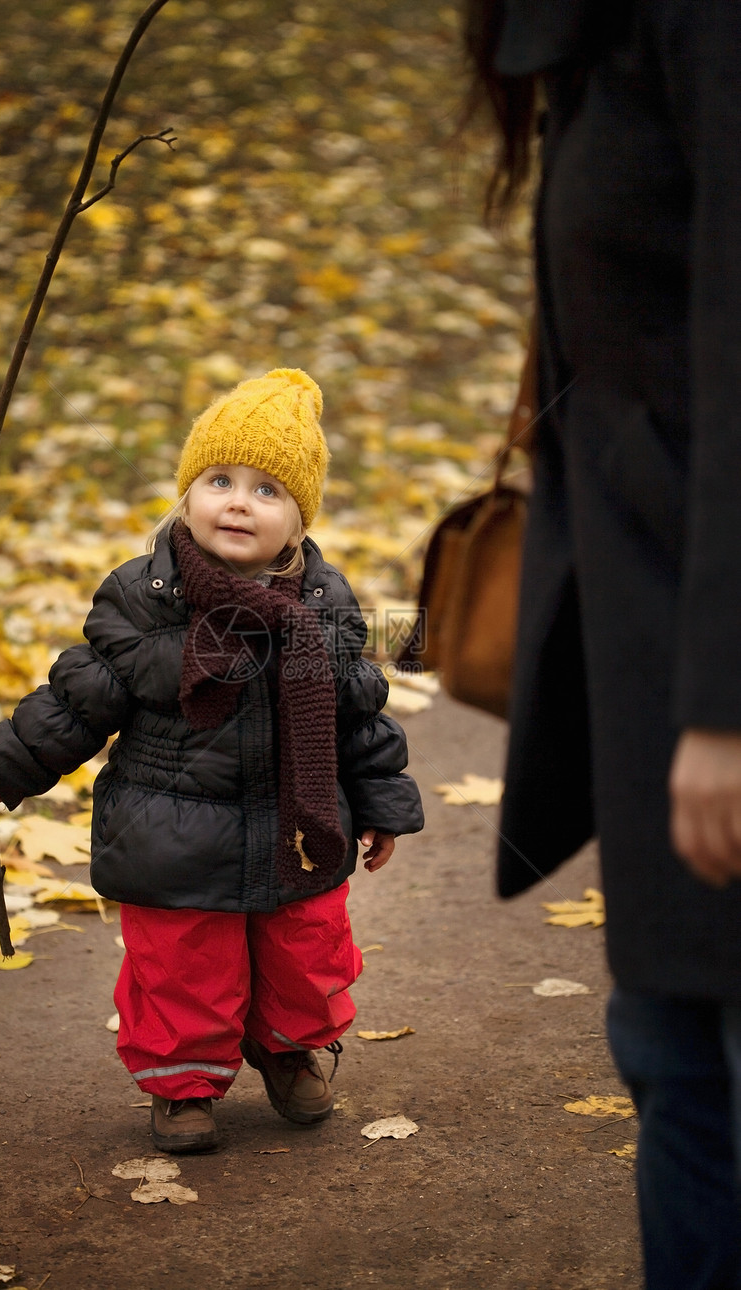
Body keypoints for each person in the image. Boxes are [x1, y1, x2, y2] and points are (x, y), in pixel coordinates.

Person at [0, 367, 424, 1154]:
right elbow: (86, 696)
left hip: (296, 825)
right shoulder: (144, 598)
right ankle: (183, 1082)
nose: (239, 502)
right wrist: (10, 764)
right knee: (184, 967)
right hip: (169, 829)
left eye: (267, 490)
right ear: (188, 493)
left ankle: (286, 1045)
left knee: (307, 954)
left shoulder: (326, 605)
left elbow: (356, 709)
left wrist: (382, 803)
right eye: (220, 480)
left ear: (299, 519)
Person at [463, 2, 741, 1286]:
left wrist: (721, 702)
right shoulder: (589, 34)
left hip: (707, 658)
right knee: (671, 1052)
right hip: (651, 639)